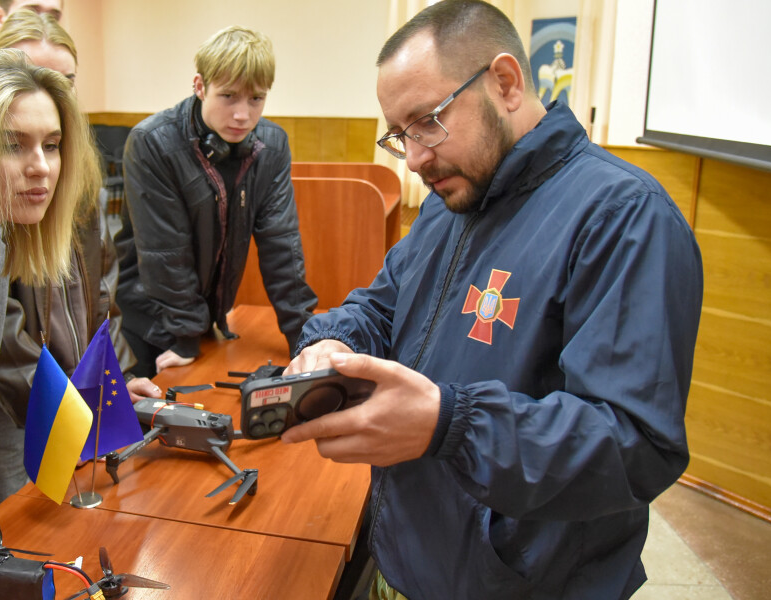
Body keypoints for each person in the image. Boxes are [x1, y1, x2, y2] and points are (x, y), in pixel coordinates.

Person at [280, 2, 703, 599]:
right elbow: (380, 306)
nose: (417, 157)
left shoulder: (622, 216)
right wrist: (332, 341)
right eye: (400, 135)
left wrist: (449, 424)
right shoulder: (447, 204)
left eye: (427, 121)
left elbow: (633, 445)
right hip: (407, 556)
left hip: (520, 582)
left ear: (504, 83)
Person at [0, 23, 160, 532]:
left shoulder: (69, 188)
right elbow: (4, 340)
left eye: (52, 144)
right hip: (9, 413)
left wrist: (119, 381)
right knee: (10, 540)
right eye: (14, 144)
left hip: (66, 403)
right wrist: (78, 421)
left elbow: (97, 298)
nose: (40, 167)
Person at [114, 25, 318, 378]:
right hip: (154, 324)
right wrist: (183, 337)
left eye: (256, 99)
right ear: (199, 86)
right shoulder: (152, 143)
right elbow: (166, 252)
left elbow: (282, 246)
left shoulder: (272, 146)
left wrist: (304, 337)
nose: (243, 115)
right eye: (228, 97)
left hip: (199, 322)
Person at [0, 0, 64, 61]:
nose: (44, 22)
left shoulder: (64, 66)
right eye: (30, 13)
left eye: (53, 17)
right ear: (0, 18)